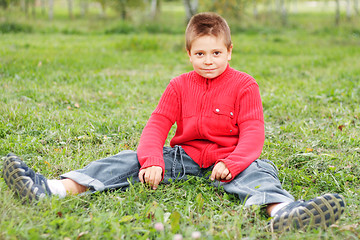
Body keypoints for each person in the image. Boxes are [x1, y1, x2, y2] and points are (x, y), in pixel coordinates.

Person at [2, 12, 345, 232]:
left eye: (215, 53)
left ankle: (284, 212)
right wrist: (152, 160)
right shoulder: (179, 86)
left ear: (229, 51)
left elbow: (254, 132)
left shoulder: (244, 84)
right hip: (184, 158)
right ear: (188, 53)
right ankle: (53, 189)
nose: (208, 61)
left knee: (260, 173)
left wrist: (235, 161)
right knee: (126, 161)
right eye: (199, 53)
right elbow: (156, 125)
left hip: (232, 159)